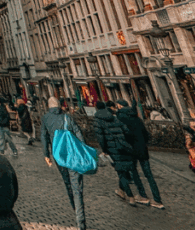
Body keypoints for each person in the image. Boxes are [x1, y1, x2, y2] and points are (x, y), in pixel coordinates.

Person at [42, 96, 87, 230]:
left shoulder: (45, 118)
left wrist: (46, 154)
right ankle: (80, 220)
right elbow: (78, 132)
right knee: (76, 186)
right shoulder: (67, 117)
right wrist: (83, 149)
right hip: (73, 153)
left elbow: (43, 136)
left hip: (58, 155)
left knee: (67, 182)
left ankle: (75, 208)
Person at [93, 100, 144, 204]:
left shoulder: (97, 121)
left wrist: (105, 150)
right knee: (124, 170)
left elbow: (100, 138)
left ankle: (130, 197)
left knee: (121, 173)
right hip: (123, 146)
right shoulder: (114, 118)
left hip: (111, 149)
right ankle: (123, 191)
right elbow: (126, 131)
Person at [116, 99, 163, 208]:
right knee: (149, 175)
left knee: (135, 174)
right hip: (142, 149)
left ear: (120, 107)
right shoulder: (137, 119)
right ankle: (157, 199)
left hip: (131, 150)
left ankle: (143, 196)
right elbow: (146, 135)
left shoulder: (121, 119)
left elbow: (123, 136)